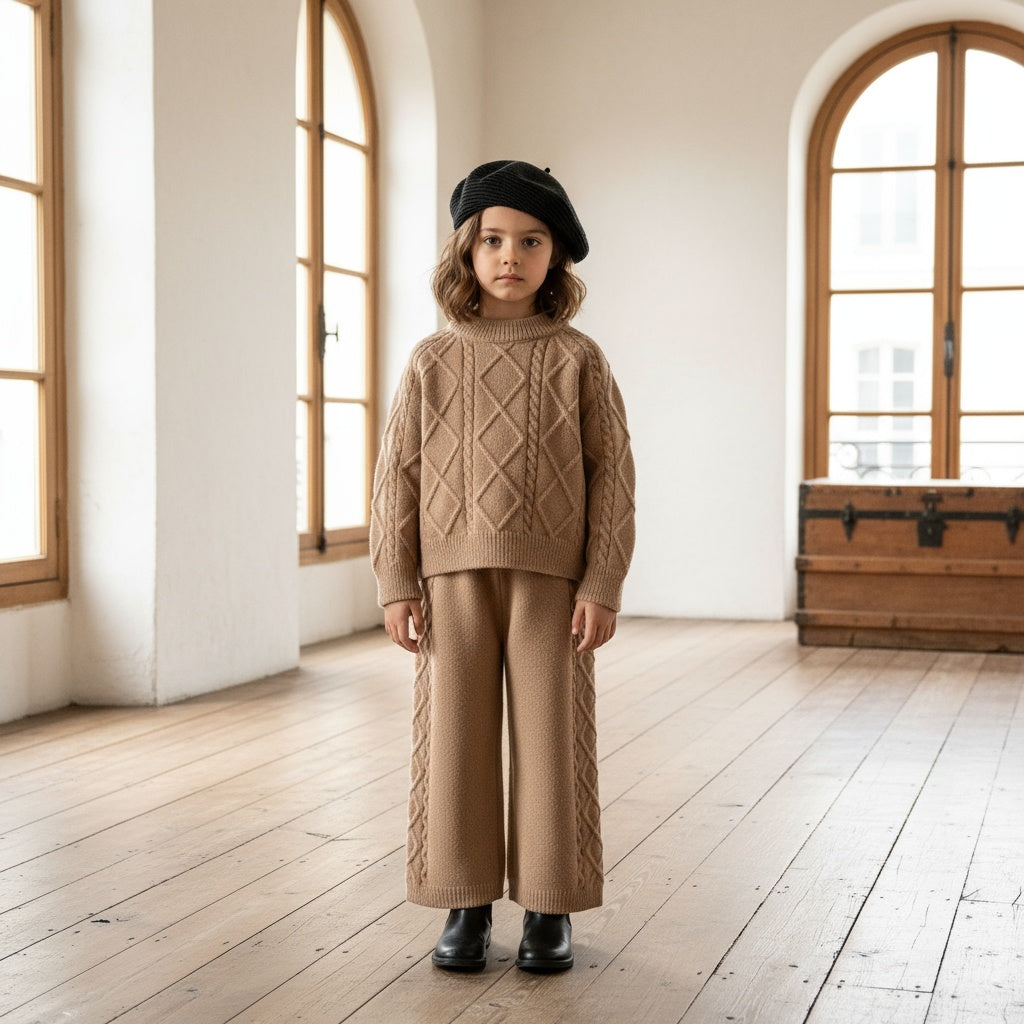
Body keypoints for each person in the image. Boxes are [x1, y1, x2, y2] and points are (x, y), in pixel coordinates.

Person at [370, 160, 635, 973]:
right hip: (450, 579)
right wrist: (394, 581)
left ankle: (550, 907)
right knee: (455, 740)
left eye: (530, 240)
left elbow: (612, 474)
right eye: (492, 240)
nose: (509, 255)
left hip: (552, 582)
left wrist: (601, 582)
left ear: (556, 256)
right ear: (465, 252)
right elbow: (397, 474)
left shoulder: (578, 358)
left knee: (551, 737)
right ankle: (466, 903)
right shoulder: (430, 360)